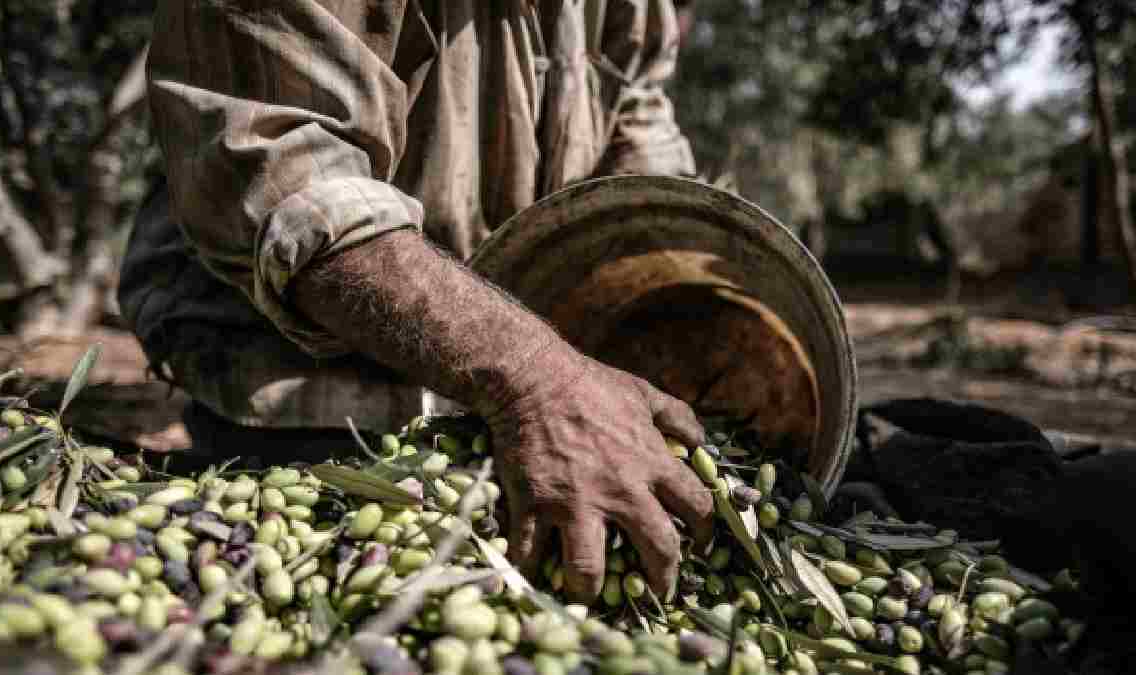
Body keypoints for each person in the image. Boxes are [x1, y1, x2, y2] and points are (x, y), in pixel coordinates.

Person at [118, 0, 711, 605]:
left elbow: (638, 122)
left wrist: (680, 297)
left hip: (519, 408)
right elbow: (291, 188)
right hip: (309, 398)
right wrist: (539, 382)